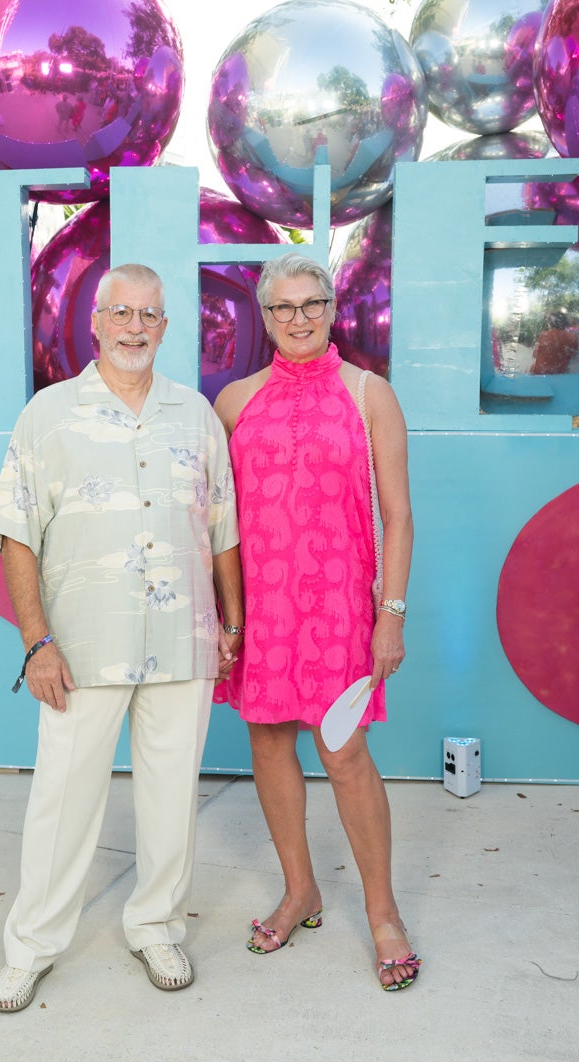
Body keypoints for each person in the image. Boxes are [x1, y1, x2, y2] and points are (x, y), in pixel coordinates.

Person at [0, 263, 243, 1012]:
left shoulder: (196, 415)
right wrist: (37, 642)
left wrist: (231, 621)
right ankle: (32, 946)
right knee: (62, 799)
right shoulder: (49, 414)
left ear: (166, 325)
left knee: (172, 795)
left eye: (149, 315)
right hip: (81, 645)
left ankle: (156, 926)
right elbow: (16, 533)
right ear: (95, 322)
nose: (135, 327)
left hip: (184, 636)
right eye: (121, 313)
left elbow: (222, 527)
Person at [213, 252, 421, 991]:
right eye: (283, 306)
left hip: (339, 608)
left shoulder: (369, 394)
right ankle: (300, 890)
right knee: (269, 743)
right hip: (262, 612)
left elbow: (398, 517)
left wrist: (390, 615)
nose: (298, 318)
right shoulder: (234, 403)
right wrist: (223, 618)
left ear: (332, 310)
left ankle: (383, 912)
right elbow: (215, 523)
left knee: (344, 752)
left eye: (312, 304)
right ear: (266, 317)